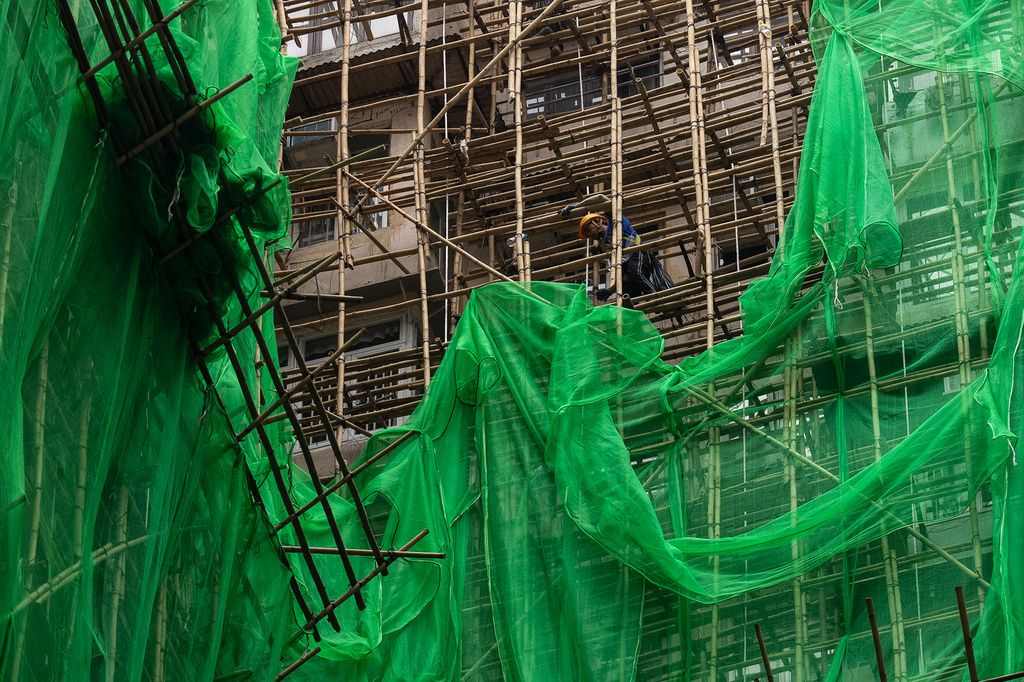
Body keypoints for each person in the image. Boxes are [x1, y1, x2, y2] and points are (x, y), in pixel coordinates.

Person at [558, 194, 675, 300]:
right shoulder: (609, 249)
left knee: (635, 272)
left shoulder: (615, 222)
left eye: (589, 229)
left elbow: (601, 197)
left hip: (638, 252)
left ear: (597, 222)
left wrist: (577, 206)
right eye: (587, 235)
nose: (589, 235)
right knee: (627, 292)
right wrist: (609, 291)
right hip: (630, 264)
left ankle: (656, 298)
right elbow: (621, 276)